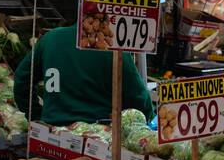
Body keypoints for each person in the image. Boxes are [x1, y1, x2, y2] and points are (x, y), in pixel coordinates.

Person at [13, 24, 154, 127]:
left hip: (51, 130)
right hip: (97, 137)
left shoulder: (51, 38)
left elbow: (21, 79)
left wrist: (35, 114)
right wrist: (148, 123)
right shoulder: (114, 49)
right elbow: (138, 97)